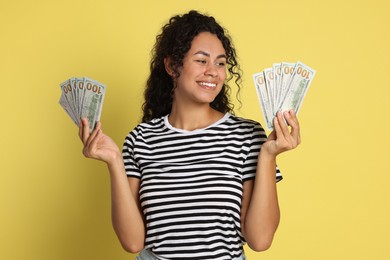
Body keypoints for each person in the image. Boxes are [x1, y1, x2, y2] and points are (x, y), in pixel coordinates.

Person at [79, 10, 301, 260]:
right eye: (201, 60)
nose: (213, 71)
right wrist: (114, 162)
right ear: (172, 65)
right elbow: (132, 242)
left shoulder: (246, 136)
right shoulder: (141, 139)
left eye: (220, 62)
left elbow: (260, 240)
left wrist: (269, 156)